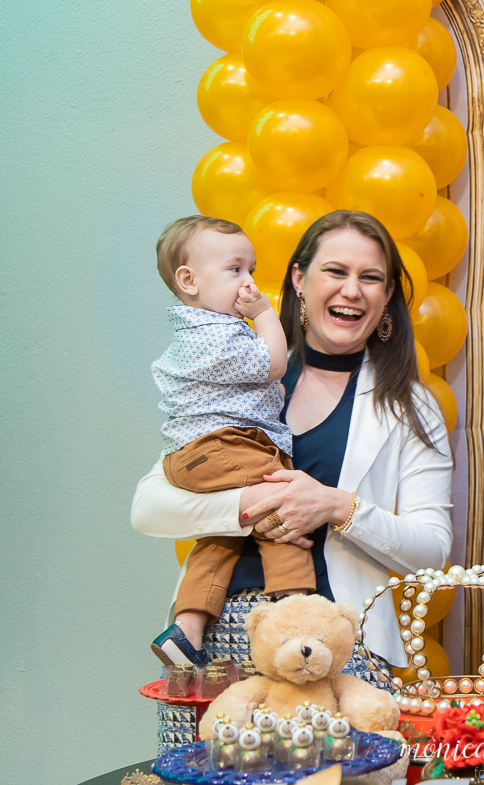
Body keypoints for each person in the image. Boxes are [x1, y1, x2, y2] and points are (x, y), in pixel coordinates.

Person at [131, 211, 453, 680]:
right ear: (300, 280)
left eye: (371, 278)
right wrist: (250, 503)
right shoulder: (239, 372)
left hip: (337, 647)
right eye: (336, 271)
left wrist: (336, 506)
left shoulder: (410, 406)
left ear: (385, 298)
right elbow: (148, 508)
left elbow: (432, 551)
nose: (352, 289)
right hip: (215, 647)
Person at [147, 215, 313, 670]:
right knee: (281, 511)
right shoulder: (218, 333)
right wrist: (264, 313)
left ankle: (187, 628)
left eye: (252, 270)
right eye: (235, 270)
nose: (249, 282)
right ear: (189, 280)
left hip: (195, 453)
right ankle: (297, 619)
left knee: (221, 534)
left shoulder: (195, 334)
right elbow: (275, 363)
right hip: (223, 445)